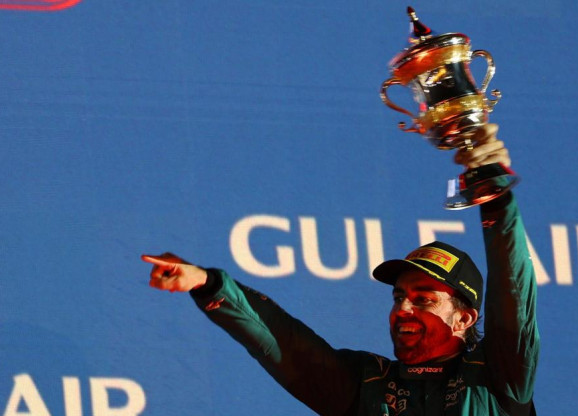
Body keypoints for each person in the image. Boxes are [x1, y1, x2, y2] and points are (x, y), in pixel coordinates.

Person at [142, 124, 538, 415]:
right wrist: (209, 284)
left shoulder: (496, 375)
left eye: (424, 300)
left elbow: (513, 296)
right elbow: (285, 343)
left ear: (464, 318)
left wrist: (494, 197)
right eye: (400, 296)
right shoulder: (366, 384)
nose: (403, 309)